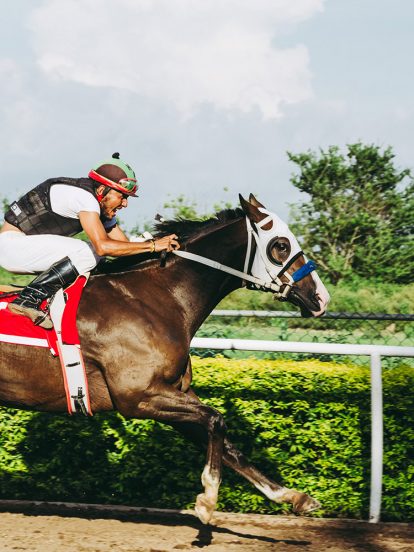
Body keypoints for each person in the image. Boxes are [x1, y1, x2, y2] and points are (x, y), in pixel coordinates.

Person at [0, 153, 179, 329]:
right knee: (90, 251)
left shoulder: (99, 205)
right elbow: (103, 247)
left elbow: (123, 247)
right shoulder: (85, 198)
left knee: (96, 257)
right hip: (11, 247)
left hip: (25, 249)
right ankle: (28, 299)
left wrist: (153, 246)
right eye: (122, 196)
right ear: (102, 191)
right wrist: (152, 246)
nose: (125, 204)